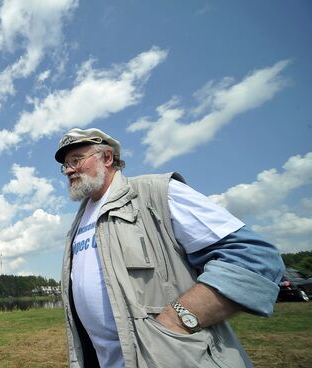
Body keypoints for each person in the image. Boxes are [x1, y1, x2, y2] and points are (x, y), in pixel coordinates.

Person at [55, 128, 285, 368]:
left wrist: (175, 321)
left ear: (107, 158)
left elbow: (254, 258)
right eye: (65, 165)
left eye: (76, 159)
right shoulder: (79, 220)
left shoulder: (156, 193)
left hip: (171, 359)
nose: (69, 169)